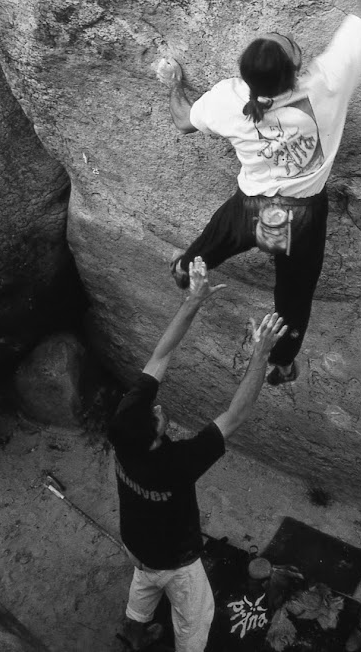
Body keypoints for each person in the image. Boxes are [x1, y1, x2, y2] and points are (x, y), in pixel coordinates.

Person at [157, 0, 361, 387]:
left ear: (247, 78)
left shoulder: (228, 100)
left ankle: (185, 271)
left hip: (250, 207)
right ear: (296, 66)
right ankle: (281, 362)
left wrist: (173, 83)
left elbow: (181, 120)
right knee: (294, 296)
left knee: (211, 242)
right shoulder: (325, 84)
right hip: (304, 218)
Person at [110, 256, 287, 652]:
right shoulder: (175, 466)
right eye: (156, 416)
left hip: (135, 543)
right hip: (175, 558)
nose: (157, 408)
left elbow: (159, 357)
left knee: (143, 581)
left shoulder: (124, 426)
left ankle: (133, 635)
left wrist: (194, 300)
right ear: (156, 439)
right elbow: (235, 416)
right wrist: (261, 354)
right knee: (196, 617)